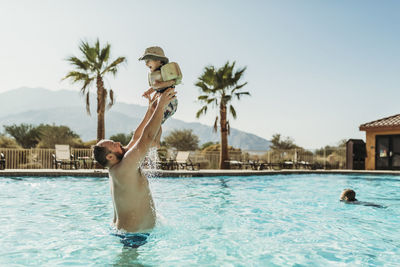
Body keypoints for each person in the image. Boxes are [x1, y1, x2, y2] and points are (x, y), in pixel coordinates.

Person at [93, 87, 177, 248]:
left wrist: (151, 109)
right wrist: (161, 105)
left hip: (130, 232)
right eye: (114, 145)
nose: (119, 143)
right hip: (133, 235)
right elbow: (145, 139)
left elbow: (136, 137)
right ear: (110, 156)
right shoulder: (124, 168)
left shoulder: (120, 163)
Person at [138, 46, 182, 146]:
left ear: (160, 61)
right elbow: (155, 86)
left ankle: (155, 143)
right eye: (145, 61)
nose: (146, 63)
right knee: (155, 120)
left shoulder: (166, 73)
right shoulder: (156, 74)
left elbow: (169, 84)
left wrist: (160, 85)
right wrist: (149, 91)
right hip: (163, 100)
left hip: (169, 102)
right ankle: (154, 142)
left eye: (149, 60)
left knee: (156, 121)